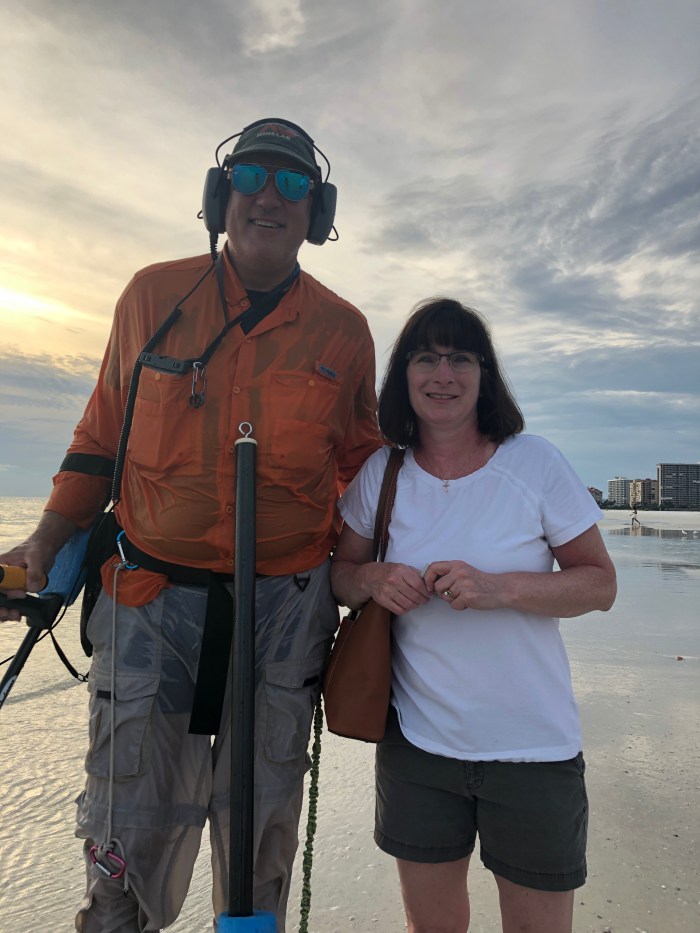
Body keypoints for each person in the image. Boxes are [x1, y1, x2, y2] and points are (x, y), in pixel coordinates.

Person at [0, 118, 380, 931]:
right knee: (127, 816)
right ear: (219, 196)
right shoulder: (150, 296)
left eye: (292, 183)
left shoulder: (344, 331)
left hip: (285, 609)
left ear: (317, 211)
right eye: (249, 177)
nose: (269, 197)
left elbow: (367, 470)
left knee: (262, 820)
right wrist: (44, 543)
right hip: (149, 600)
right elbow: (99, 440)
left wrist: (374, 572)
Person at [330, 298, 617, 933]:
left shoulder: (534, 462)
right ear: (403, 376)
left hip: (534, 750)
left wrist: (499, 588)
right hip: (417, 746)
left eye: (460, 358)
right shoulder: (382, 471)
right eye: (425, 358)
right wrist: (373, 579)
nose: (443, 374)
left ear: (485, 375)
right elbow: (340, 575)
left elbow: (600, 584)